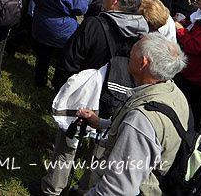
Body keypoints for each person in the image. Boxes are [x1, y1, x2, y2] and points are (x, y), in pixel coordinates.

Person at [78, 34, 188, 196]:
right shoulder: (173, 93)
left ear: (143, 62)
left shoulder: (140, 121)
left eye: (133, 51)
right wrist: (100, 122)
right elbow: (153, 137)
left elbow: (117, 190)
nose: (129, 53)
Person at [57, 0, 148, 83]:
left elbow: (70, 59)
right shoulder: (143, 34)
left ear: (115, 0)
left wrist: (63, 86)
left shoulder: (93, 25)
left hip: (84, 87)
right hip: (113, 92)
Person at [30, 0, 89, 88]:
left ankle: (40, 80)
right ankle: (58, 84)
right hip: (62, 29)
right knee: (63, 58)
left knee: (42, 55)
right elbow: (82, 8)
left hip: (40, 21)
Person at [173, 0, 201, 130]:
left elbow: (195, 46)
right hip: (187, 69)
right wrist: (183, 23)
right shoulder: (199, 15)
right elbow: (193, 28)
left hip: (196, 78)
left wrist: (181, 31)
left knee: (187, 109)